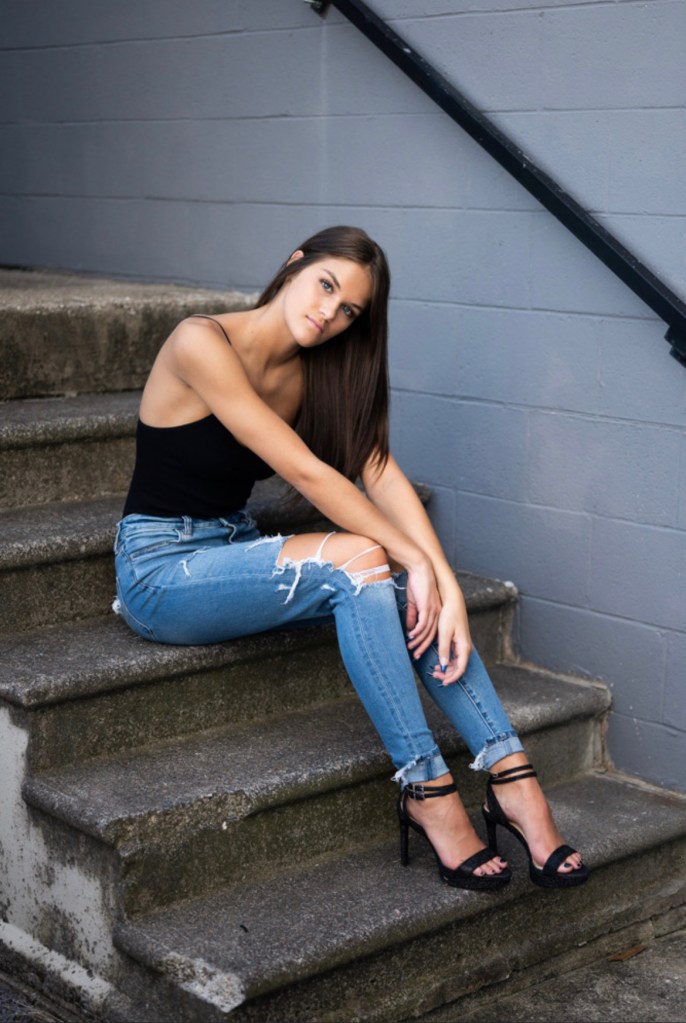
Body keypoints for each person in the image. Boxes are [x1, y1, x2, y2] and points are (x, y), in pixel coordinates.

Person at [114, 225, 587, 891]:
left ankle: (514, 780)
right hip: (161, 570)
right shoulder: (200, 341)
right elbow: (308, 474)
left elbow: (379, 469)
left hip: (234, 549)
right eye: (325, 286)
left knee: (401, 595)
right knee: (361, 558)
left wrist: (443, 583)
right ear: (294, 263)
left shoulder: (317, 370)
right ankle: (427, 789)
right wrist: (412, 559)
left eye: (348, 311)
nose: (328, 313)